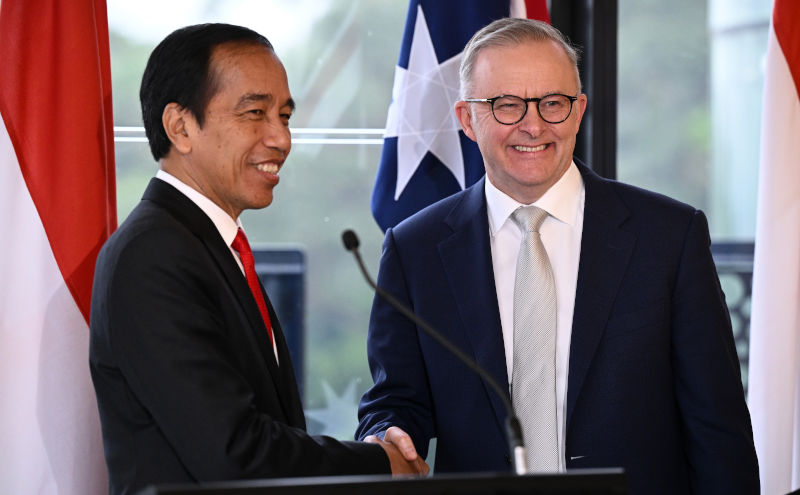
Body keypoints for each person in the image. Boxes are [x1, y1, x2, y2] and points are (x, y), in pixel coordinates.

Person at [355, 17, 759, 495]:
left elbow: (717, 428)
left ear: (579, 109)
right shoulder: (414, 250)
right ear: (467, 119)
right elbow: (396, 399)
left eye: (553, 103)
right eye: (506, 105)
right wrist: (388, 433)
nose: (533, 124)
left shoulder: (669, 237)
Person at [89, 23, 427, 495]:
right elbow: (235, 453)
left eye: (285, 116)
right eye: (254, 113)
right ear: (180, 127)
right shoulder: (152, 256)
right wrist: (379, 463)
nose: (281, 139)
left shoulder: (206, 245)